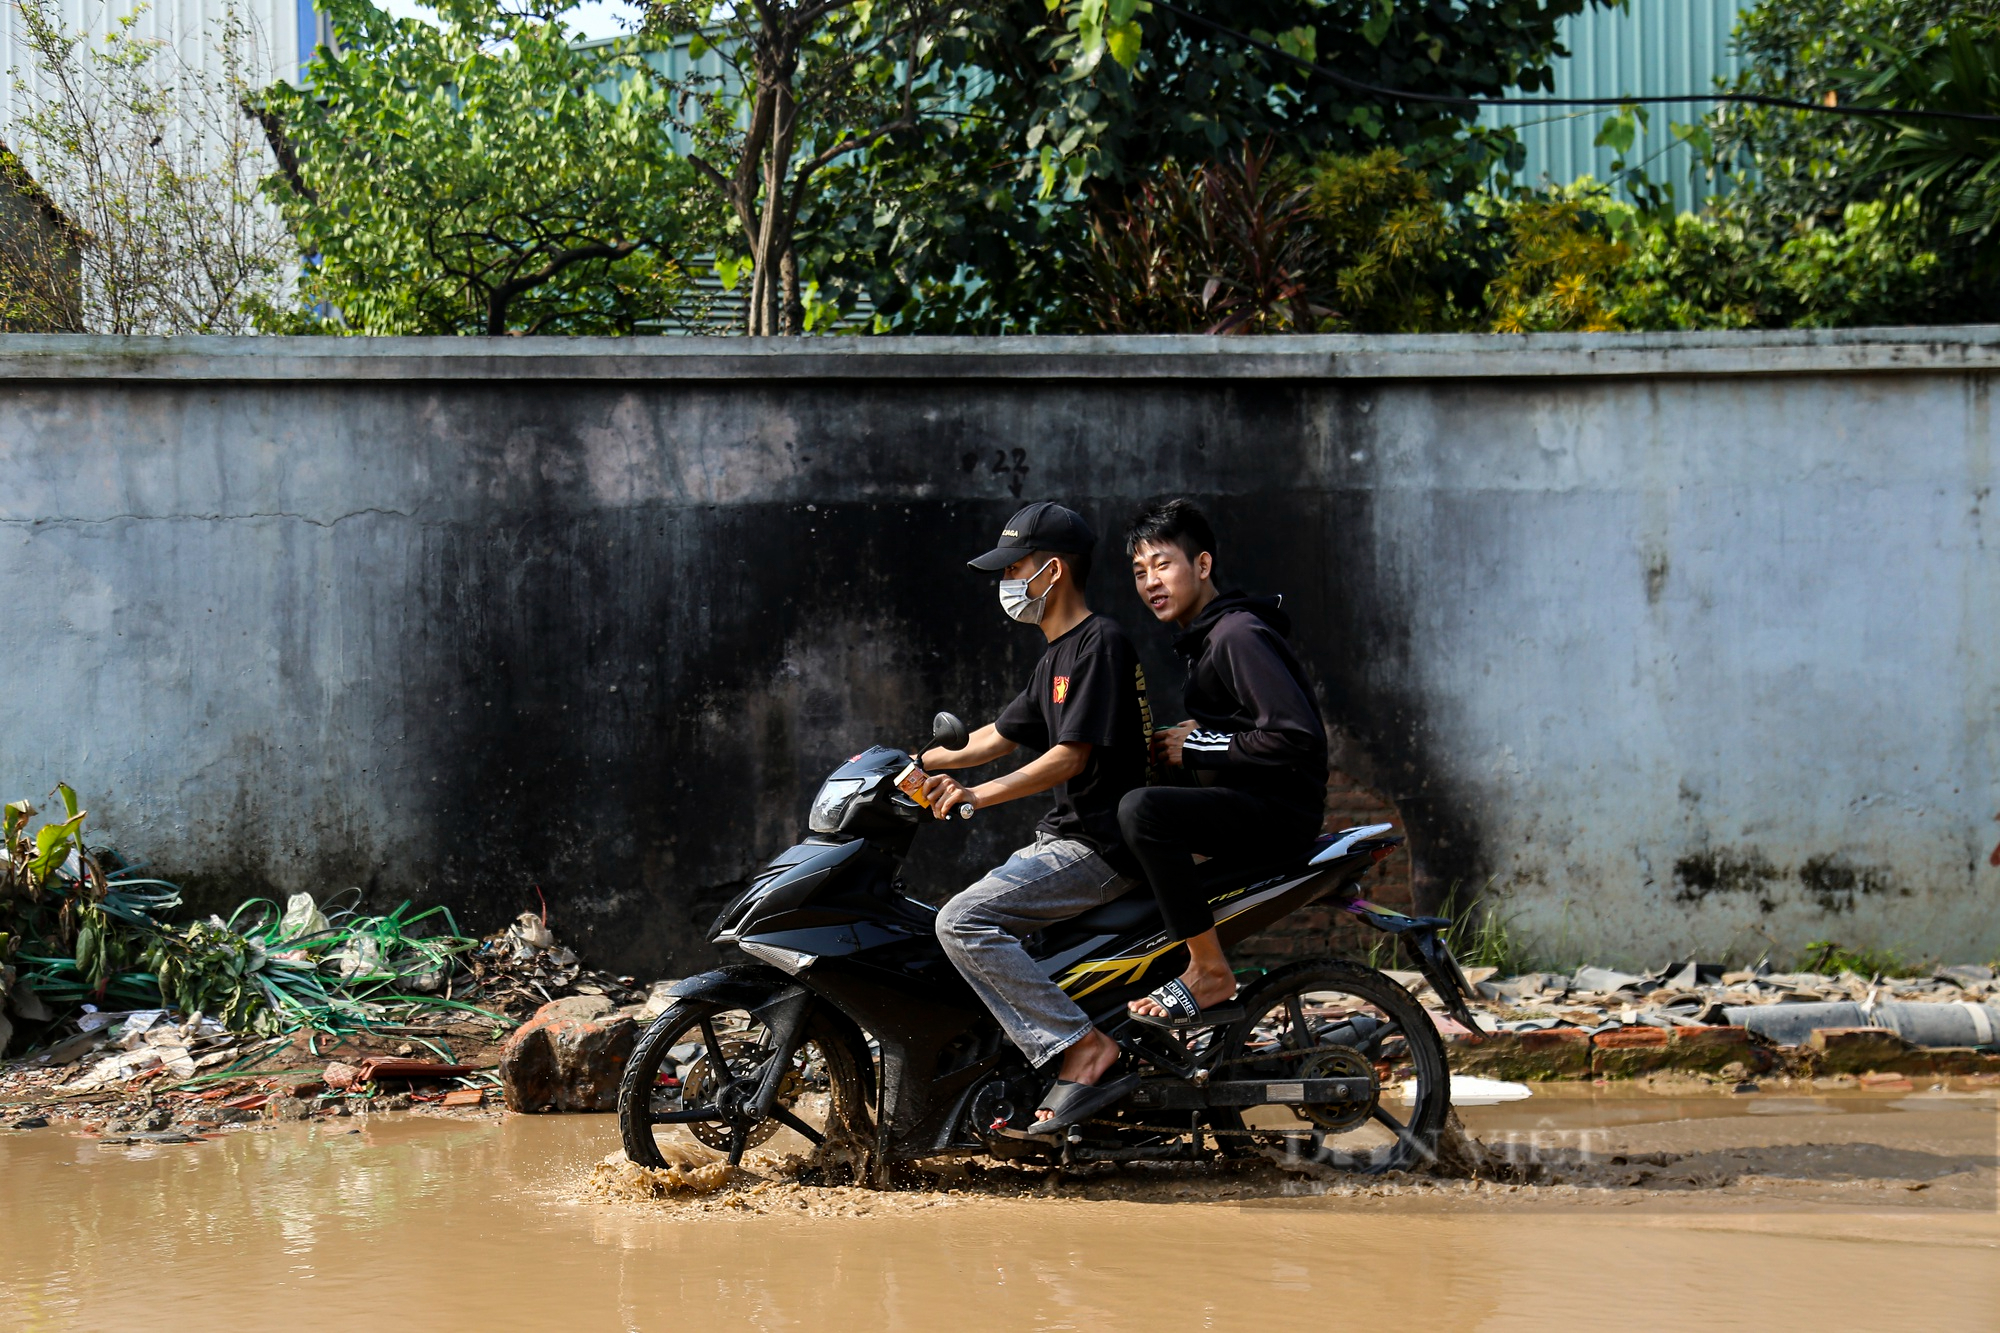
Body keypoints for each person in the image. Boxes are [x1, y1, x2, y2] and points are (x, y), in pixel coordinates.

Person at [918, 501, 1153, 1131]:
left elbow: (1069, 758)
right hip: (1071, 841)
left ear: (1052, 571)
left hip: (1100, 846)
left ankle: (1083, 1048)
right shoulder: (1056, 654)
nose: (1006, 582)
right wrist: (909, 760)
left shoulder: (1098, 643)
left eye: (1014, 566)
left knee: (963, 921)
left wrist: (976, 796)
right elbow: (995, 736)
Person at [1118, 499, 1329, 1027]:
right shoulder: (1207, 637)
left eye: (1163, 564)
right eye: (1140, 572)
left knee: (1142, 812)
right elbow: (1245, 727)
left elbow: (1295, 736)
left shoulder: (1236, 634)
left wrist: (1197, 746)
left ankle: (1209, 970)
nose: (1151, 582)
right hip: (1253, 801)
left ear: (1203, 565)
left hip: (1279, 812)